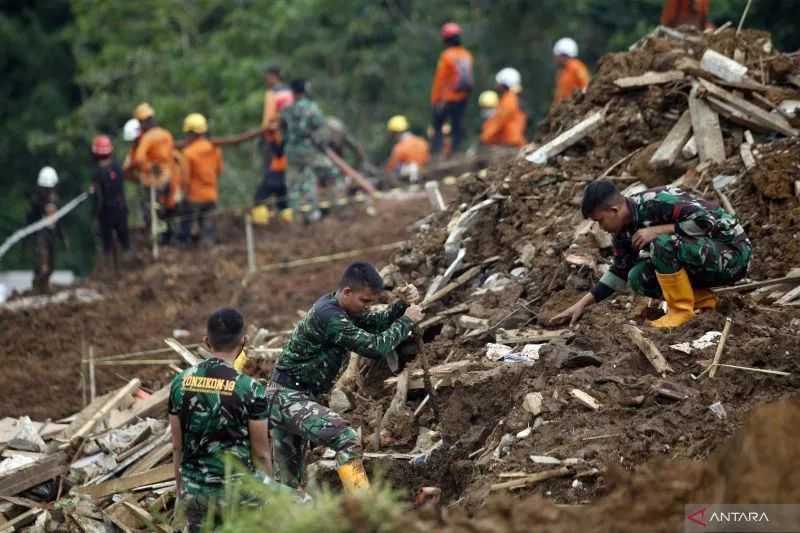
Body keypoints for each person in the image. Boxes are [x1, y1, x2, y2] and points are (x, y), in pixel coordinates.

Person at [265, 262, 424, 491]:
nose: (367, 307)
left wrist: (401, 306)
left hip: (293, 397)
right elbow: (374, 346)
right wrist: (407, 320)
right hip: (287, 397)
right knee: (346, 438)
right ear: (347, 292)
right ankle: (363, 510)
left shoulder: (344, 308)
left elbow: (377, 323)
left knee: (288, 483)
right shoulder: (329, 316)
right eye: (365, 301)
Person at [550, 181, 751, 329]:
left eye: (600, 221)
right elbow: (619, 271)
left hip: (732, 254)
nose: (600, 227)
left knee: (661, 243)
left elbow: (712, 222)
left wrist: (660, 230)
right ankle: (705, 303)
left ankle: (681, 312)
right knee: (637, 276)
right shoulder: (622, 232)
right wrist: (581, 305)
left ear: (614, 210)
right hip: (703, 259)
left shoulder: (659, 201)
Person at [169, 308, 271, 532]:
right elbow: (261, 454)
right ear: (243, 341)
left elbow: (177, 446)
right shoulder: (251, 388)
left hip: (194, 492)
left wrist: (181, 493)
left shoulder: (179, 382)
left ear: (206, 341)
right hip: (238, 494)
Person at [282, 79, 344, 222]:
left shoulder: (287, 110)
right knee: (331, 174)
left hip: (291, 152)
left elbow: (283, 130)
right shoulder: (311, 108)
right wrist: (321, 145)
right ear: (305, 90)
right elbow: (321, 129)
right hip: (309, 151)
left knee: (294, 185)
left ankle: (296, 217)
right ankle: (333, 210)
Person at [131, 102, 183, 244]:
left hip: (155, 180)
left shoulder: (147, 138)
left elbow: (138, 158)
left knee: (153, 211)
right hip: (170, 176)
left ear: (142, 122)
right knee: (169, 208)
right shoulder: (166, 134)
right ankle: (172, 238)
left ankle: (158, 241)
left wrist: (149, 167)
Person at [179, 113, 223, 246]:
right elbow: (219, 170)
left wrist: (184, 194)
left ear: (191, 132)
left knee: (186, 226)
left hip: (194, 197)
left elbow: (185, 178)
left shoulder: (188, 153)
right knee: (208, 231)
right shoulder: (214, 148)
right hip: (211, 195)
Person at [430, 22, 473, 155]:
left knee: (437, 125)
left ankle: (437, 153)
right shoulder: (467, 54)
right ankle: (456, 152)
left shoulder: (446, 55)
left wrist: (436, 99)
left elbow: (440, 80)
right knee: (457, 126)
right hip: (463, 97)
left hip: (447, 98)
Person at [90, 135, 130, 267]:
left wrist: (95, 214)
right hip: (121, 208)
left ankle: (108, 270)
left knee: (106, 243)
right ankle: (127, 266)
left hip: (106, 212)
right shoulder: (118, 168)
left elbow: (98, 198)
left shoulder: (97, 173)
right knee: (124, 239)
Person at [27, 166, 66, 294]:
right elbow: (30, 218)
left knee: (51, 264)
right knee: (42, 262)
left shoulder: (57, 199)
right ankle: (37, 285)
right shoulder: (36, 200)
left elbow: (59, 220)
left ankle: (44, 285)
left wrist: (63, 237)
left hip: (51, 234)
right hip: (40, 233)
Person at [480, 68, 527, 148]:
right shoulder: (512, 98)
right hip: (512, 141)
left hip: (511, 142)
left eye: (499, 83)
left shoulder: (509, 100)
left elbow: (499, 120)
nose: (497, 86)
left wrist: (485, 137)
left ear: (505, 84)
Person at [385, 115, 430, 184]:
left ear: (394, 133)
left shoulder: (399, 148)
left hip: (410, 177)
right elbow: (427, 160)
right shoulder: (422, 141)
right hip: (423, 172)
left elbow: (390, 168)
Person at [552, 37, 590, 107]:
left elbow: (586, 86)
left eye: (558, 56)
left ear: (563, 55)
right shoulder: (562, 72)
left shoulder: (576, 67)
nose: (556, 59)